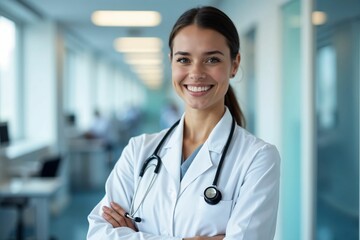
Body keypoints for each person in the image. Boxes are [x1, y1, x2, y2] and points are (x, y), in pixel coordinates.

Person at [87, 6, 280, 240]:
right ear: (171, 62)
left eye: (212, 59)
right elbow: (98, 234)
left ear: (235, 64)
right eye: (184, 59)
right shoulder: (139, 150)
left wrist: (133, 235)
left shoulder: (258, 158)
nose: (196, 72)